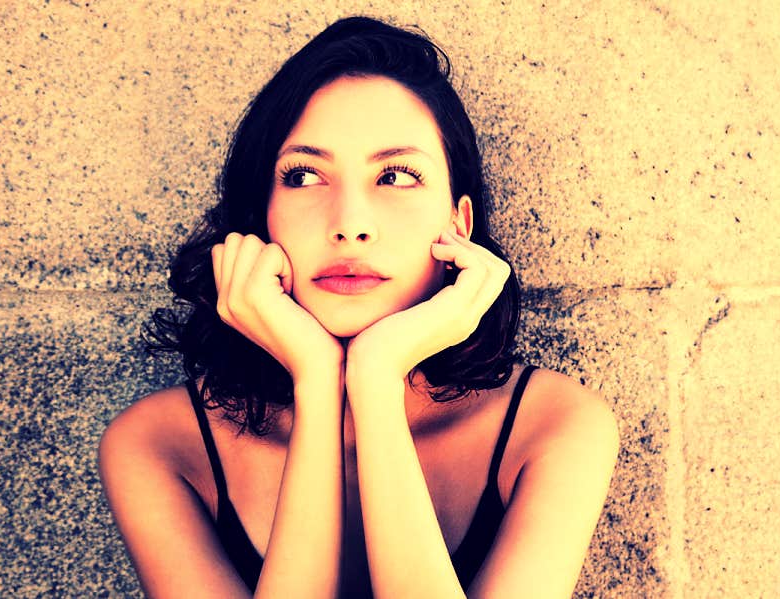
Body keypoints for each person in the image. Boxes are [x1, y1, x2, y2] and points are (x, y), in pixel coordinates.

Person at [98, 16, 619, 599]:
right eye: (303, 176)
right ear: (259, 218)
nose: (349, 224)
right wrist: (317, 381)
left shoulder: (552, 427)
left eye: (395, 176)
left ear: (458, 224)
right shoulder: (160, 445)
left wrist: (375, 379)